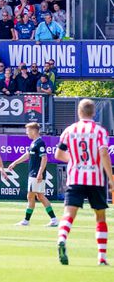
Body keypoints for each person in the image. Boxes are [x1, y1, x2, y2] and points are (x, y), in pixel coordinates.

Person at [55, 99, 113, 266]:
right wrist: (111, 178)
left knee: (69, 214)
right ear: (93, 112)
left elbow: (59, 155)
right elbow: (103, 154)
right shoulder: (99, 131)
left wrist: (74, 160)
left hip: (75, 177)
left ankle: (61, 238)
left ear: (79, 112)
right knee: (100, 217)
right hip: (95, 178)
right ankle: (101, 258)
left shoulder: (69, 130)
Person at [8, 122, 58, 227]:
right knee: (38, 196)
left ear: (34, 131)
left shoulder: (40, 143)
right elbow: (27, 155)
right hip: (34, 173)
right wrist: (15, 163)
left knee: (34, 196)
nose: (27, 133)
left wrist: (40, 173)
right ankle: (52, 219)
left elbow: (44, 158)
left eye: (28, 131)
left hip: (36, 173)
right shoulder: (34, 143)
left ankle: (29, 220)